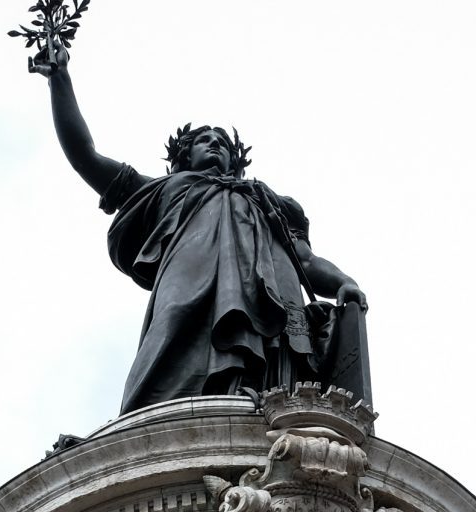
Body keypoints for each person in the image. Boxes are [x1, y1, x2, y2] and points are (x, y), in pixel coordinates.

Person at [32, 31, 370, 416]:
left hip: (272, 291)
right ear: (183, 157)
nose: (214, 144)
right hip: (190, 279)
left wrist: (344, 281)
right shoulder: (165, 190)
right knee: (173, 328)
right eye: (204, 140)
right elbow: (86, 158)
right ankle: (151, 425)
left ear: (235, 160)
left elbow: (306, 261)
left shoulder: (268, 201)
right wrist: (60, 80)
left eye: (222, 143)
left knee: (274, 345)